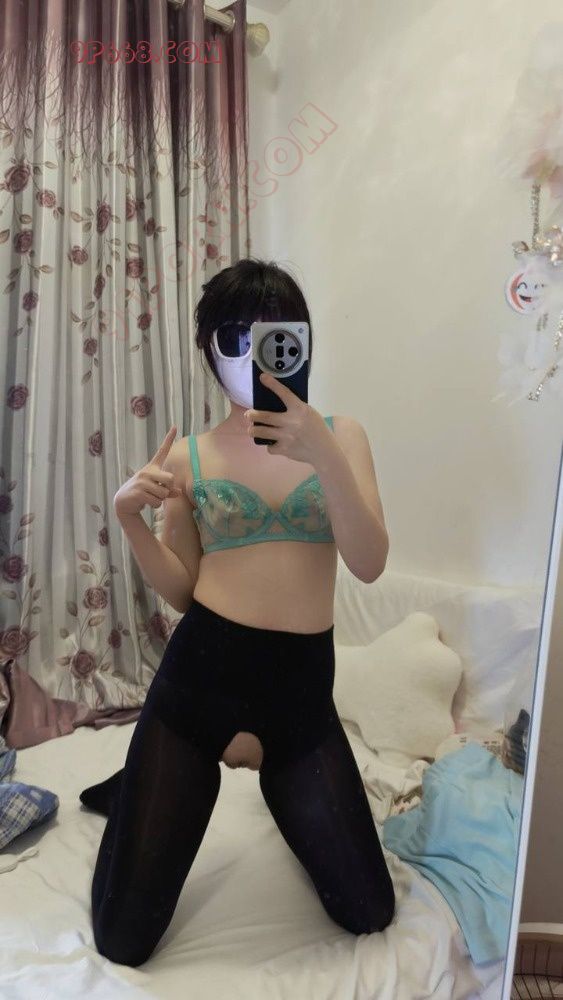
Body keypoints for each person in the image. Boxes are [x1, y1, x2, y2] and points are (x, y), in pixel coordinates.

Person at [82, 258, 396, 967]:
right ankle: (132, 793)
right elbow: (184, 590)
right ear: (209, 349)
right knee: (122, 939)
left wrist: (321, 454)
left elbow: (369, 562)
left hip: (300, 700)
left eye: (275, 333)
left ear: (301, 341)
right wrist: (129, 520)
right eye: (235, 336)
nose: (254, 352)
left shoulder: (343, 436)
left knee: (368, 910)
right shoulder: (188, 457)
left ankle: (137, 786)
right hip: (199, 684)